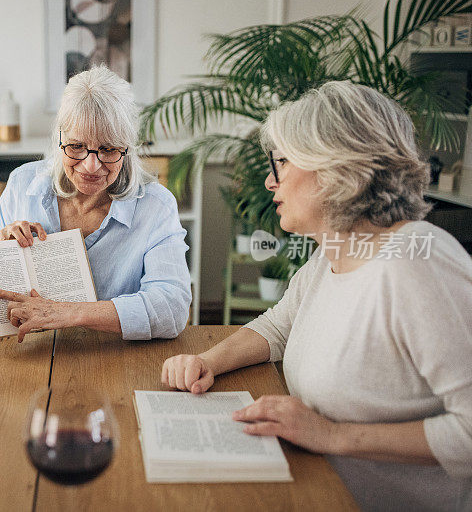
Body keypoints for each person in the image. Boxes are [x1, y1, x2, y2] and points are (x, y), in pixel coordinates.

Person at [161, 81, 472, 511]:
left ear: (335, 166)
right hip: (316, 487)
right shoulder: (337, 250)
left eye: (282, 162)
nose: (270, 181)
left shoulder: (417, 263)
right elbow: (277, 326)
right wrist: (207, 362)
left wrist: (331, 435)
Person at [0, 65, 191, 341]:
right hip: (32, 348)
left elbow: (172, 308)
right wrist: (1, 247)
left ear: (127, 148)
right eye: (77, 146)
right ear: (60, 138)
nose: (91, 166)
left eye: (108, 149)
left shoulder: (156, 206)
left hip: (114, 356)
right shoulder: (22, 184)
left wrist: (68, 313)